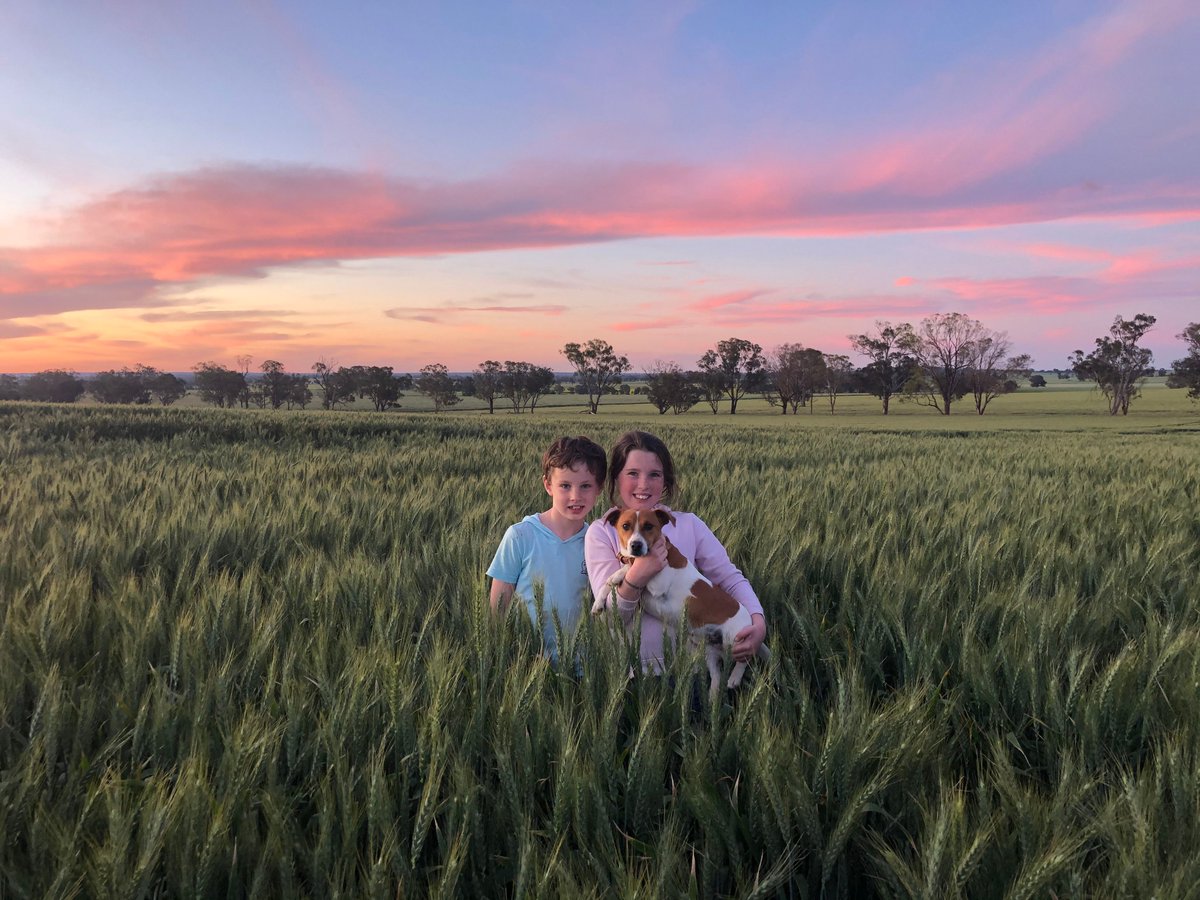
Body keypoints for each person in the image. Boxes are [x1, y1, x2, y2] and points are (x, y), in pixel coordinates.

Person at [585, 430, 767, 674]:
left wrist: (757, 622)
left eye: (654, 475)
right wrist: (638, 574)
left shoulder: (689, 524)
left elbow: (730, 578)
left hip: (693, 672)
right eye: (632, 473)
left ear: (666, 481)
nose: (643, 484)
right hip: (634, 675)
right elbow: (609, 617)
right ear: (616, 477)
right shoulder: (603, 531)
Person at [488, 435, 607, 663]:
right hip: (527, 663)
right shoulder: (520, 536)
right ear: (547, 485)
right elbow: (497, 611)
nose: (575, 496)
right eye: (565, 486)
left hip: (583, 669)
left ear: (599, 488)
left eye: (585, 486)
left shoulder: (598, 542)